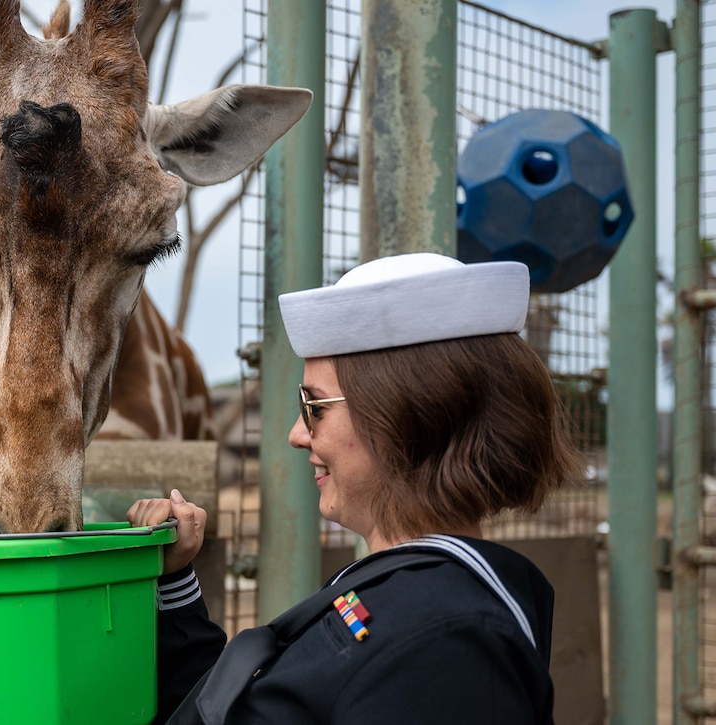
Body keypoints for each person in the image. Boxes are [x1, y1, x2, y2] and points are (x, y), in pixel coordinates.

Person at [127, 252, 584, 724]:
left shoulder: (447, 641)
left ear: (405, 416)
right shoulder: (403, 594)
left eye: (314, 406)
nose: (297, 434)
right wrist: (177, 580)